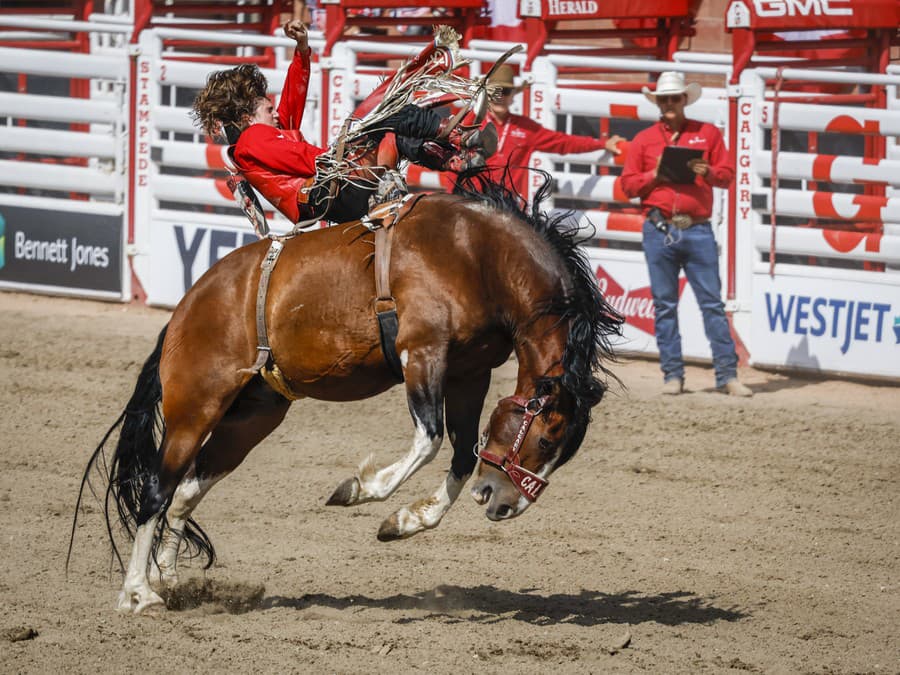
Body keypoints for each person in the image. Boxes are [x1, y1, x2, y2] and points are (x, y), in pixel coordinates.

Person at [191, 19, 492, 225]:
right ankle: (454, 135)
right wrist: (338, 156)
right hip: (328, 190)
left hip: (330, 191)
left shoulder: (263, 136)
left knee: (391, 135)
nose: (275, 112)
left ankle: (454, 159)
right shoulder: (253, 140)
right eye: (268, 108)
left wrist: (302, 49)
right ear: (247, 118)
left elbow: (293, 97)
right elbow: (303, 160)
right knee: (382, 114)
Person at [620, 71, 752, 397]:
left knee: (711, 304)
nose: (668, 103)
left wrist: (708, 171)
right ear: (659, 102)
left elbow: (727, 175)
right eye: (664, 99)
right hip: (661, 226)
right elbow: (627, 186)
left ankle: (725, 374)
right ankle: (674, 375)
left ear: (683, 100)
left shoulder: (707, 134)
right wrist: (655, 174)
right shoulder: (644, 140)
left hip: (695, 227)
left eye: (673, 98)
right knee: (666, 305)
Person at [469, 64, 624, 203]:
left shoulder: (525, 128)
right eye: (495, 91)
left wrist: (601, 144)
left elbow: (563, 142)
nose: (500, 97)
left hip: (504, 204)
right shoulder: (470, 121)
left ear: (512, 96)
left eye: (505, 91)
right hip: (470, 199)